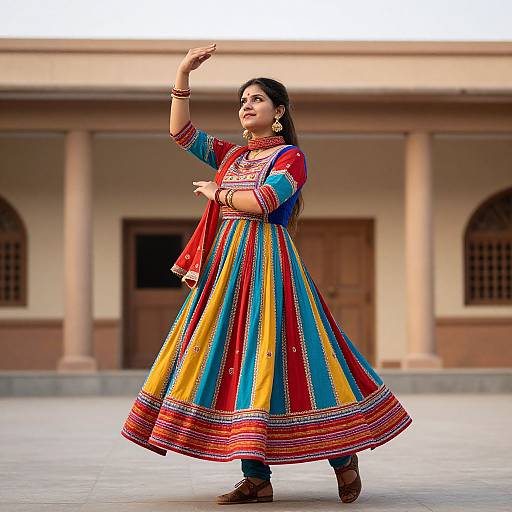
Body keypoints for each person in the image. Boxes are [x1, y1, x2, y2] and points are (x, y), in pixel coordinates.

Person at [121, 43, 413, 505]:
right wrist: (182, 73)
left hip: (270, 267)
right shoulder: (234, 157)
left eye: (255, 99)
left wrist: (218, 195)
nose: (245, 106)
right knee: (236, 361)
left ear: (278, 111)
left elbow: (264, 203)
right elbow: (181, 133)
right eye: (242, 101)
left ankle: (343, 456)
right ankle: (256, 477)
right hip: (226, 271)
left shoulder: (290, 158)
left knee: (299, 358)